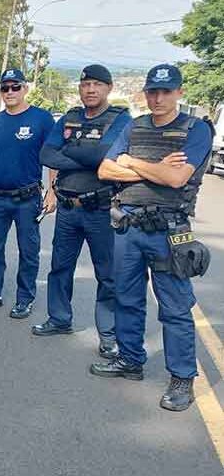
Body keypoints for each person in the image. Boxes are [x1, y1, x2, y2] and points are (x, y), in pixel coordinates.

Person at [90, 64, 213, 412]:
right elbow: (104, 169)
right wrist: (155, 166)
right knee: (126, 299)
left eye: (165, 91)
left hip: (169, 231)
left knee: (174, 308)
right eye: (152, 92)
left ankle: (181, 379)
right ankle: (130, 360)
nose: (158, 98)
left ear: (178, 93)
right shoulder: (135, 125)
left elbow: (177, 179)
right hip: (128, 226)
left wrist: (131, 161)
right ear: (145, 93)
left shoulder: (196, 129)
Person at [33, 65, 132, 359]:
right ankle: (59, 319)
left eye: (97, 84)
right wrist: (85, 154)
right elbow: (46, 154)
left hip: (101, 209)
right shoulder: (70, 117)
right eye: (86, 83)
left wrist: (71, 149)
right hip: (67, 208)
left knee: (108, 275)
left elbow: (104, 155)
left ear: (108, 88)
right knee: (60, 268)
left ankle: (109, 335)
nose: (90, 89)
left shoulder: (120, 119)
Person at [0, 69, 56, 318]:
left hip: (27, 199)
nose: (9, 92)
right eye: (5, 88)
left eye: (14, 87)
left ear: (25, 89)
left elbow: (52, 157)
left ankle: (24, 298)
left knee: (28, 251)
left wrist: (52, 192)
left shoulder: (41, 119)